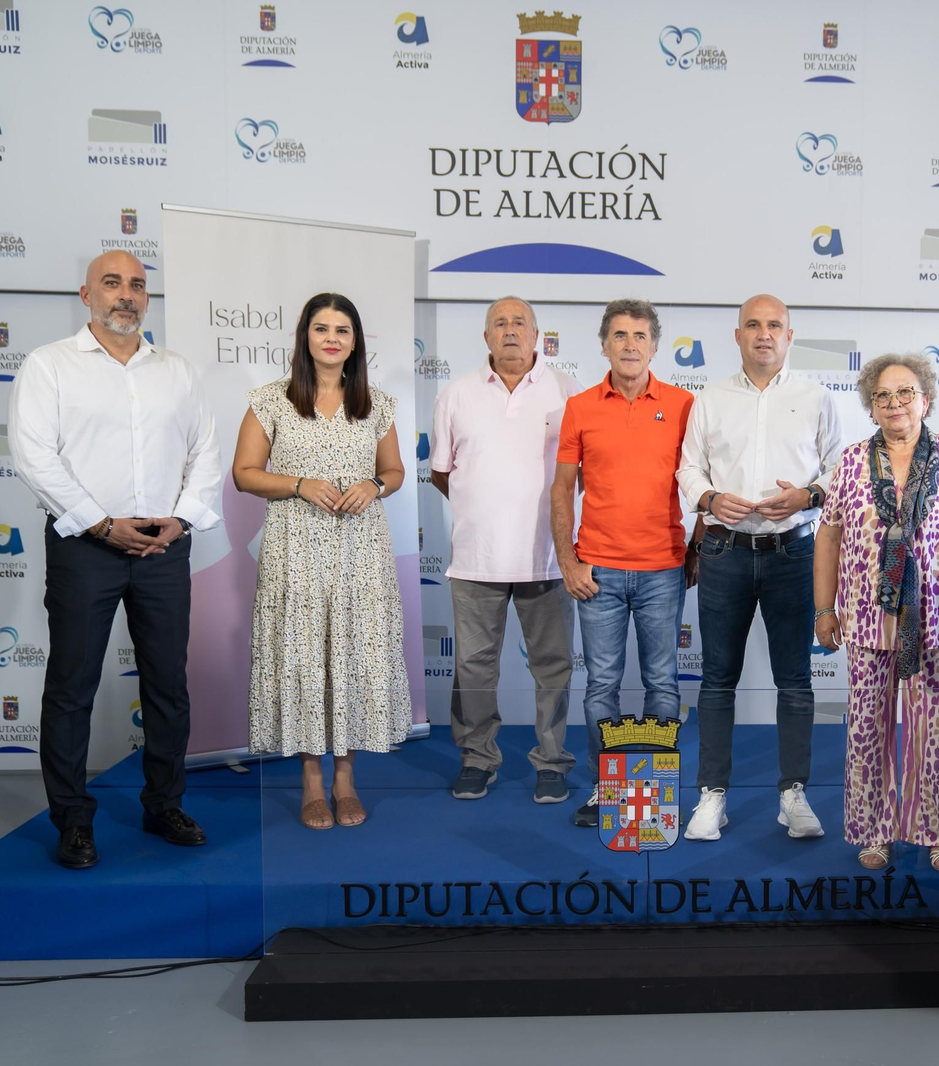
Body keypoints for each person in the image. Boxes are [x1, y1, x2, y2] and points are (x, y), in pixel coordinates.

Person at [7, 250, 222, 869]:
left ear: (146, 298)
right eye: (111, 283)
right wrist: (102, 524)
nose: (125, 294)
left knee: (167, 684)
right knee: (72, 686)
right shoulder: (49, 365)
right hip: (84, 547)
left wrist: (181, 520)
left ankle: (165, 805)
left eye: (136, 285)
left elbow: (205, 452)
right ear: (86, 295)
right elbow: (34, 456)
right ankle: (73, 820)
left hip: (163, 546)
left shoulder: (177, 371)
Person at [231, 292, 411, 830]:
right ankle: (311, 783)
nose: (332, 338)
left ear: (355, 343)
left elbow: (395, 472)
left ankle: (345, 781)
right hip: (296, 552)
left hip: (360, 551)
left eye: (342, 330)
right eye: (321, 328)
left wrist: (374, 485)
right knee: (305, 658)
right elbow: (244, 473)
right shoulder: (271, 400)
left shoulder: (376, 403)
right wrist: (298, 484)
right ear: (304, 337)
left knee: (354, 656)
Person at [813, 354, 939, 873]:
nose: (895, 403)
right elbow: (829, 536)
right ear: (871, 407)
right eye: (883, 395)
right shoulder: (852, 461)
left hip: (937, 622)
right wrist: (824, 608)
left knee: (934, 731)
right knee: (867, 730)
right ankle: (874, 830)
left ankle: (937, 832)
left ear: (926, 399)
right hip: (867, 621)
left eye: (906, 392)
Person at [676, 294, 843, 842]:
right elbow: (689, 468)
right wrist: (708, 499)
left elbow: (839, 470)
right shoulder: (710, 399)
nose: (764, 334)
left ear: (789, 336)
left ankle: (793, 795)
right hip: (723, 553)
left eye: (774, 325)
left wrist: (809, 495)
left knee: (794, 680)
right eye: (753, 325)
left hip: (794, 554)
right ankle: (712, 796)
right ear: (738, 335)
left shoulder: (817, 397)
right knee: (716, 679)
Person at [430, 296, 586, 804]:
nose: (511, 330)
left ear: (538, 335)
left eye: (520, 322)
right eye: (500, 323)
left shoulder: (569, 392)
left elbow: (583, 475)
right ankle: (477, 759)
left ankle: (552, 762)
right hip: (477, 559)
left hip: (549, 558)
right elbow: (442, 473)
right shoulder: (456, 394)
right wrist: (485, 507)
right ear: (486, 337)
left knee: (553, 666)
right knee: (474, 667)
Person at [550, 299, 696, 828]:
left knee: (663, 685)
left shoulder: (684, 404)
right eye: (619, 335)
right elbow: (562, 490)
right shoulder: (581, 406)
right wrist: (568, 561)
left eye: (639, 336)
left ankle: (650, 793)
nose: (630, 345)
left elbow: (703, 481)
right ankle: (607, 789)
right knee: (601, 687)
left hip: (662, 569)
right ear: (604, 345)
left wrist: (696, 550)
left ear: (654, 346)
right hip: (598, 572)